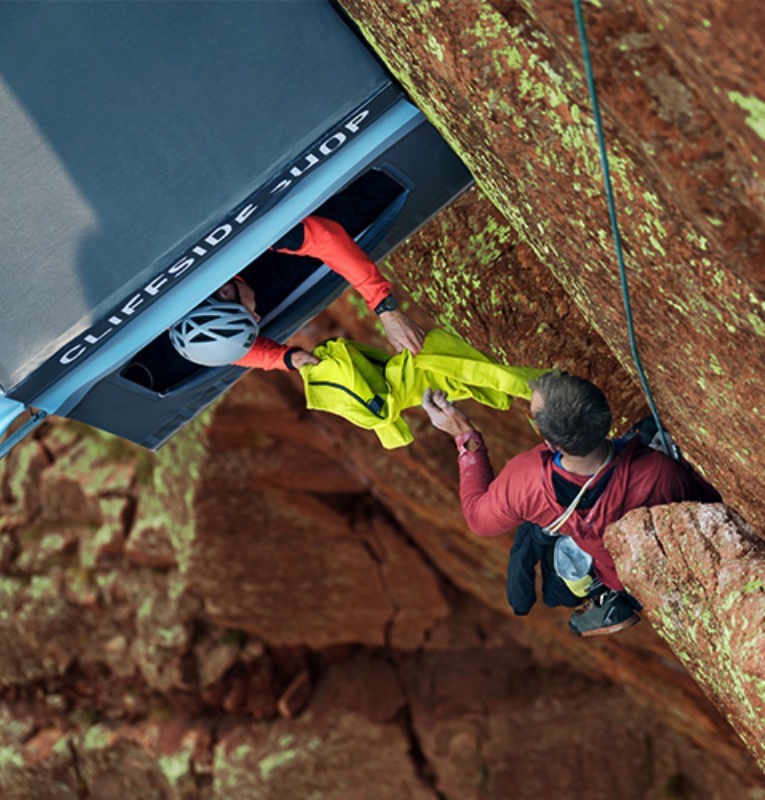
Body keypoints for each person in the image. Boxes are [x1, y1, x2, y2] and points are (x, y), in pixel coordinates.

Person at [420, 370, 721, 636]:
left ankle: (609, 597)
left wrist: (464, 436)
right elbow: (710, 507)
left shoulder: (527, 482)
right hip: (632, 558)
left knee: (532, 537)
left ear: (552, 444)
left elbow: (478, 519)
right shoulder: (658, 471)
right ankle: (611, 595)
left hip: (607, 566)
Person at [170, 214, 425, 372]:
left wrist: (385, 307)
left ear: (225, 291)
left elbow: (327, 238)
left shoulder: (238, 239)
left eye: (248, 315)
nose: (258, 317)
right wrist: (286, 359)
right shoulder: (177, 316)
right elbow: (237, 351)